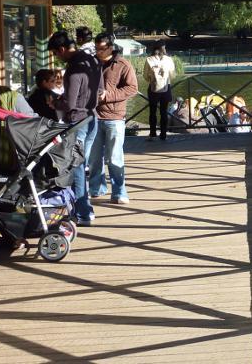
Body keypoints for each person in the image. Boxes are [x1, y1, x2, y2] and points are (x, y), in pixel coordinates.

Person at [48, 30, 102, 227]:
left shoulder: (73, 68)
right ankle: (85, 209)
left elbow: (70, 103)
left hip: (77, 122)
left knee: (76, 167)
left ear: (62, 49)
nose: (57, 58)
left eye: (55, 54)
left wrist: (55, 103)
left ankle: (83, 212)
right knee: (82, 165)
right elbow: (100, 90)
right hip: (92, 118)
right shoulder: (93, 61)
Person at [89, 33, 138, 204]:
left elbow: (132, 88)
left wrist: (108, 95)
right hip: (93, 116)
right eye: (96, 48)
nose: (98, 51)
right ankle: (96, 188)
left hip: (115, 117)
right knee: (94, 157)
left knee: (115, 157)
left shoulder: (123, 65)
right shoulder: (91, 62)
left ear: (110, 47)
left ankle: (119, 192)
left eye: (101, 48)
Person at [143, 41, 175, 141]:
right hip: (166, 88)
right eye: (164, 47)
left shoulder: (149, 59)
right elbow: (173, 75)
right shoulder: (169, 60)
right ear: (162, 49)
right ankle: (163, 134)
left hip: (153, 89)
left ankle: (153, 134)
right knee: (164, 112)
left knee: (152, 112)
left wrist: (153, 79)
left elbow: (145, 76)